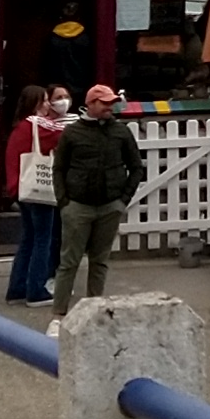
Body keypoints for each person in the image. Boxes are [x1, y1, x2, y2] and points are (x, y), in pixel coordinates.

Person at [51, 81, 145, 315]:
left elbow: (136, 167)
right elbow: (59, 168)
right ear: (91, 104)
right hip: (77, 206)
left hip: (110, 206)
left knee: (99, 262)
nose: (110, 107)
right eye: (105, 103)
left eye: (112, 103)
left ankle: (95, 312)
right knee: (69, 263)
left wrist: (122, 200)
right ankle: (59, 314)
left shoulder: (121, 132)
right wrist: (64, 202)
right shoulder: (72, 132)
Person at [0, 83, 67, 305]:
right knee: (42, 239)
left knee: (28, 238)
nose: (49, 104)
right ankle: (36, 290)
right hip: (39, 189)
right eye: (45, 100)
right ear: (36, 103)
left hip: (21, 188)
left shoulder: (20, 126)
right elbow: (65, 133)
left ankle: (17, 288)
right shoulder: (37, 123)